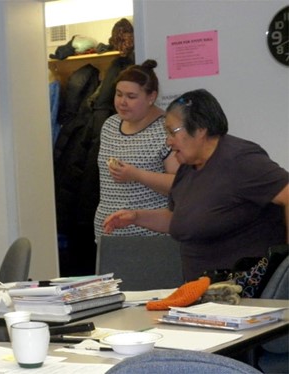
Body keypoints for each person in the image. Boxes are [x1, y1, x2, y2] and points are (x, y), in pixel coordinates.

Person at [104, 89, 289, 281]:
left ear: (200, 129)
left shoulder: (240, 159)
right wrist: (136, 216)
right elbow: (182, 219)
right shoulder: (188, 166)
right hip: (201, 291)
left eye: (172, 132)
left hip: (245, 292)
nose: (168, 141)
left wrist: (287, 266)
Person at [93, 59, 179, 240]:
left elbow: (179, 184)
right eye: (118, 94)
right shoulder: (110, 125)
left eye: (131, 97)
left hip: (149, 237)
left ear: (151, 97)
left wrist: (136, 175)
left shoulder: (166, 129)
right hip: (107, 234)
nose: (122, 102)